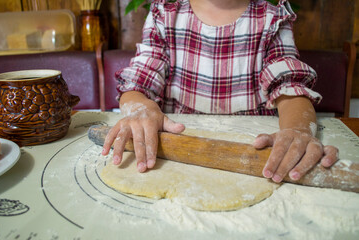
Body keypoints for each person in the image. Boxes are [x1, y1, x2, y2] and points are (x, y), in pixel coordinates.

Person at [102, 0, 338, 183]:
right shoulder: (165, 16)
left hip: (254, 158)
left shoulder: (271, 19)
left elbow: (290, 90)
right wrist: (141, 107)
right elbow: (138, 85)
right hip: (177, 156)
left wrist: (297, 129)